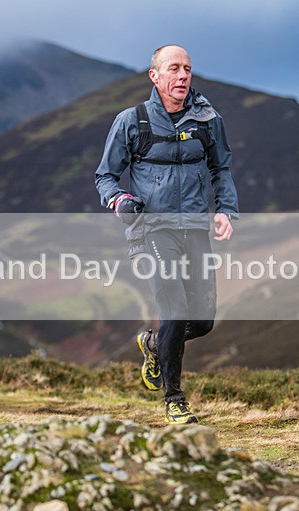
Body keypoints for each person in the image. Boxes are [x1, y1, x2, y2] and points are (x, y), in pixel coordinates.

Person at [95, 45, 238, 424]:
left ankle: (155, 343)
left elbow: (221, 169)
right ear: (155, 76)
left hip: (194, 227)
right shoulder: (132, 121)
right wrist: (120, 200)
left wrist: (225, 210)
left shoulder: (208, 120)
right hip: (152, 229)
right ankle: (175, 399)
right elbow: (105, 176)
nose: (183, 75)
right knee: (174, 310)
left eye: (188, 68)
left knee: (202, 321)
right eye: (174, 68)